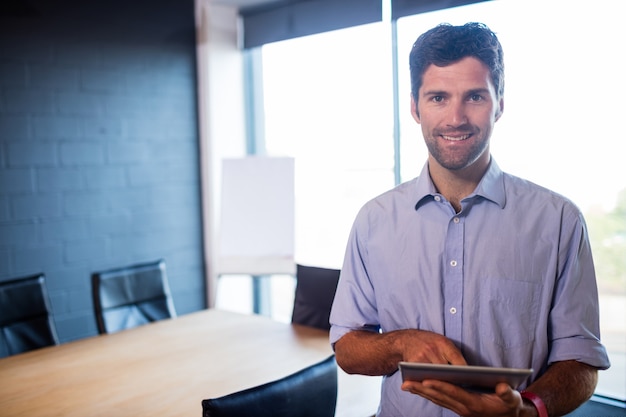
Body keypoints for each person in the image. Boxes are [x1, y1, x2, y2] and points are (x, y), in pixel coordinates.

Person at [329, 22, 610, 417]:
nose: (456, 118)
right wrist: (400, 344)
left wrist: (527, 410)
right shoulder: (373, 221)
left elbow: (581, 362)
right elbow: (347, 347)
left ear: (500, 103)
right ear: (415, 106)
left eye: (475, 96)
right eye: (438, 97)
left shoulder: (559, 221)